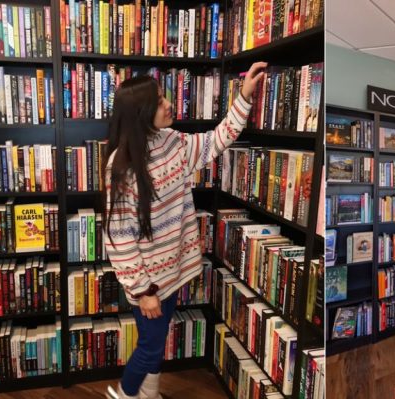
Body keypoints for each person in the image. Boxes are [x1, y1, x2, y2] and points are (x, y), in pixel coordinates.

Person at [103, 62, 267, 399]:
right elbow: (119, 238)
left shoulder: (173, 142)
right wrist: (143, 289)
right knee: (150, 346)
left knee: (155, 342)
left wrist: (244, 97)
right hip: (149, 282)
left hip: (173, 271)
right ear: (142, 113)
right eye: (160, 101)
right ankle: (125, 394)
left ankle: (147, 394)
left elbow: (216, 141)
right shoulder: (122, 167)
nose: (168, 104)